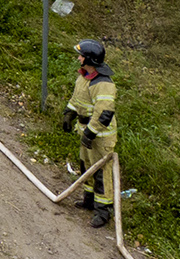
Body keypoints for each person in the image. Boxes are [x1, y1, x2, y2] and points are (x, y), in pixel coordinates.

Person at [63, 38, 119, 228]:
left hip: (100, 137)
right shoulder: (84, 77)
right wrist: (68, 113)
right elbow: (77, 98)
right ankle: (89, 200)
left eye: (81, 55)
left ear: (90, 60)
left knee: (101, 173)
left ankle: (103, 211)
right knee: (86, 166)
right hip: (85, 132)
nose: (78, 58)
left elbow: (104, 113)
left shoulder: (103, 83)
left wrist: (91, 133)